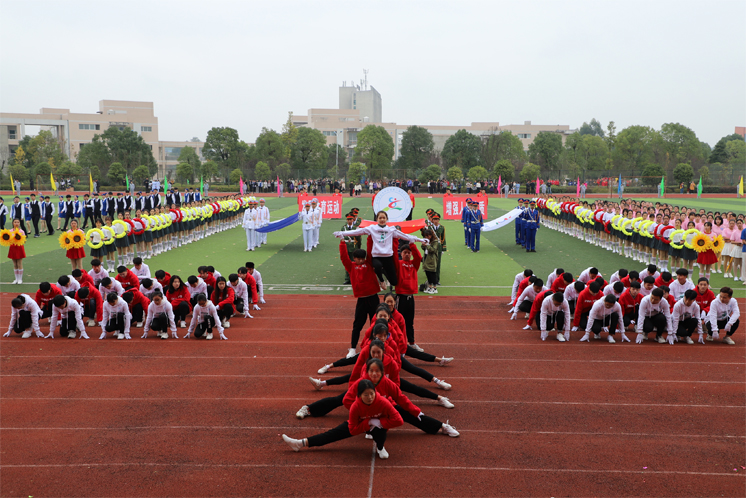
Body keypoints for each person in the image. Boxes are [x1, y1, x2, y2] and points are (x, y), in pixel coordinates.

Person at [282, 378, 403, 459]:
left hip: (377, 427)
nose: (370, 397)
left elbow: (399, 420)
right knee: (332, 434)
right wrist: (369, 422)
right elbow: (353, 430)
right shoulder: (355, 406)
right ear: (359, 395)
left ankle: (380, 447)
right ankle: (300, 443)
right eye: (366, 395)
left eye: (372, 394)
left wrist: (379, 422)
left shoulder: (382, 402)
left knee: (380, 430)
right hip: (362, 423)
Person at [335, 211, 427, 291]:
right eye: (380, 218)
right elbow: (357, 232)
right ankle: (381, 280)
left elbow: (406, 236)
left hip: (388, 257)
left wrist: (421, 240)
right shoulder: (372, 228)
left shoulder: (391, 229)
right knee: (377, 266)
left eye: (384, 218)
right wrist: (342, 233)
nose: (382, 219)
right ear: (377, 219)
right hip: (376, 256)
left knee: (394, 282)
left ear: (387, 219)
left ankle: (383, 271)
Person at [420, 228, 441, 294]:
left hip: (432, 259)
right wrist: (423, 245)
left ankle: (434, 288)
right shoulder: (427, 241)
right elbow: (424, 248)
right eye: (426, 236)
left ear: (431, 235)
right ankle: (430, 287)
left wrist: (427, 245)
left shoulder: (435, 241)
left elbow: (433, 250)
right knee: (427, 272)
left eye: (428, 236)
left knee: (432, 273)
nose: (427, 237)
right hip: (426, 257)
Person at [6, 218, 26, 284]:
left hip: (19, 247)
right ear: (12, 223)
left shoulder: (22, 231)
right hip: (12, 248)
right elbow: (7, 240)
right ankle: (16, 279)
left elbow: (24, 241)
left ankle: (20, 279)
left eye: (18, 222)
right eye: (15, 222)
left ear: (19, 223)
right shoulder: (10, 231)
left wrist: (19, 239)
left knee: (19, 263)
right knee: (15, 264)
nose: (16, 223)